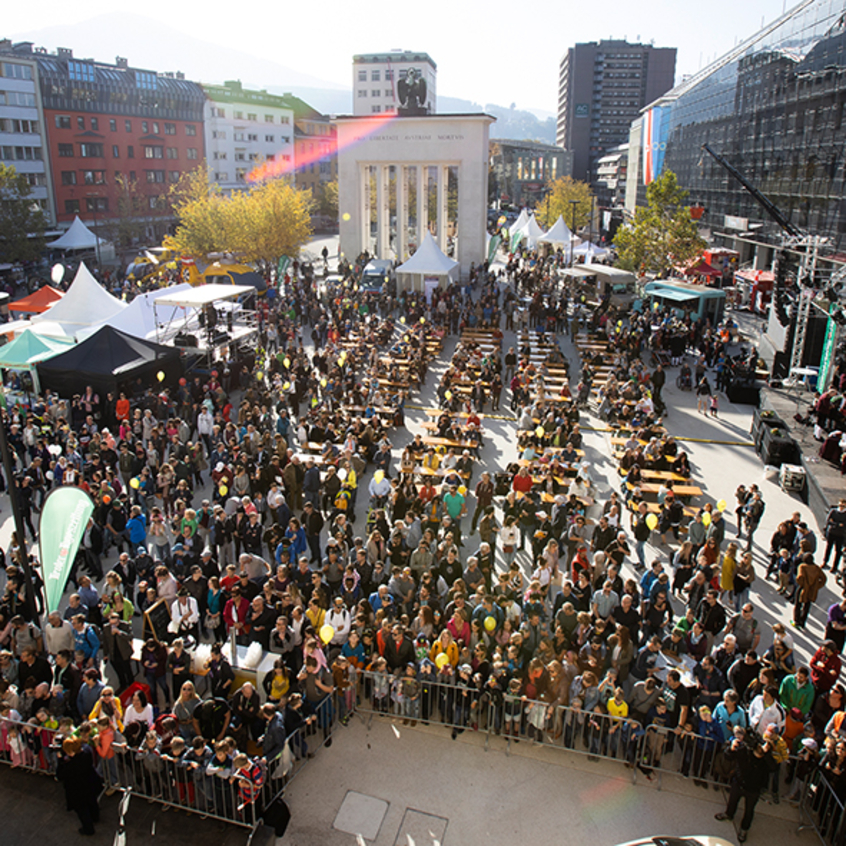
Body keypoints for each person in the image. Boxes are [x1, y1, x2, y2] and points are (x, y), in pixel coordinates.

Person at [714, 730, 776, 842]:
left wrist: (766, 753)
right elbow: (728, 757)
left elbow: (773, 768)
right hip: (739, 783)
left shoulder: (767, 760)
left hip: (754, 789)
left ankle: (744, 829)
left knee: (749, 810)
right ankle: (729, 814)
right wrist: (731, 748)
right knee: (732, 801)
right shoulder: (745, 751)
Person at [57, 736, 102, 836]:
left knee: (82, 810)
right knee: (92, 801)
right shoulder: (86, 751)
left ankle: (88, 829)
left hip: (77, 789)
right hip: (91, 782)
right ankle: (95, 817)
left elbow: (60, 775)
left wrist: (60, 760)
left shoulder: (70, 765)